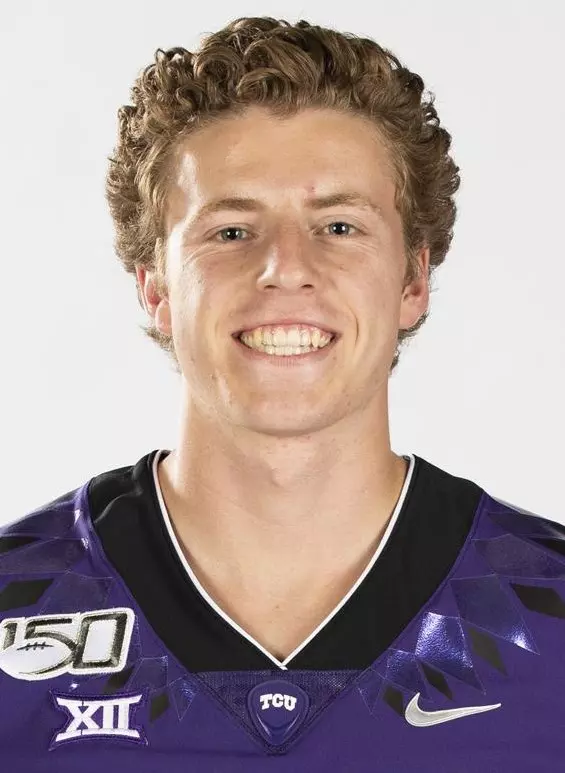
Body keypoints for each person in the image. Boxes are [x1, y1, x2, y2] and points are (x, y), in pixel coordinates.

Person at [0, 15, 562, 771]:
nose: (284, 268)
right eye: (231, 231)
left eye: (337, 225)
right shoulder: (19, 605)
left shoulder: (547, 610)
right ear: (156, 287)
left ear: (413, 280)